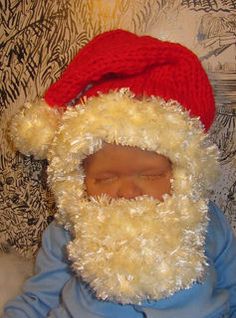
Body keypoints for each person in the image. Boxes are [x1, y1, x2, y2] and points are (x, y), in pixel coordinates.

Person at [3, 29, 236, 318]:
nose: (127, 191)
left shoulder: (205, 220)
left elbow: (232, 287)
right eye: (105, 178)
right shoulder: (69, 228)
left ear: (184, 173)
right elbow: (39, 298)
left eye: (150, 175)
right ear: (78, 178)